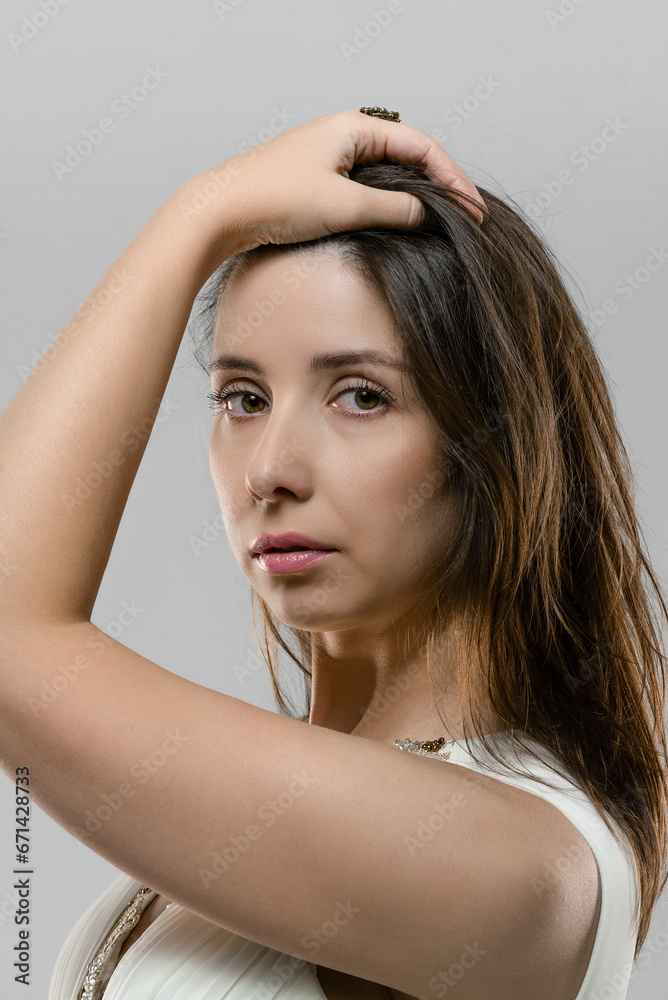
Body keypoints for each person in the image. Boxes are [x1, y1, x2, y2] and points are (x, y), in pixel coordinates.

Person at [0, 108, 665, 1000]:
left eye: (360, 396)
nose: (270, 469)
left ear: (499, 444)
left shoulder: (518, 864)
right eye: (242, 397)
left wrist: (200, 215)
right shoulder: (283, 815)